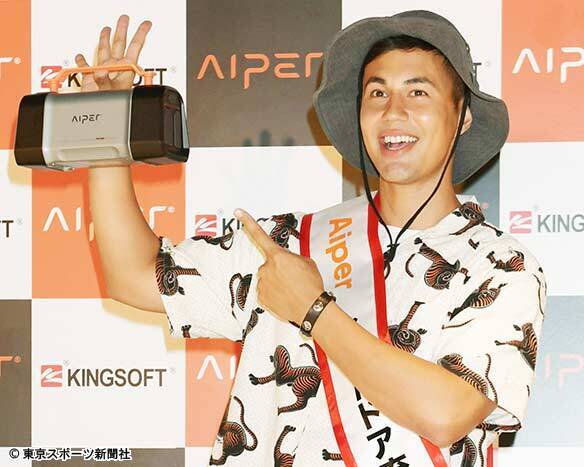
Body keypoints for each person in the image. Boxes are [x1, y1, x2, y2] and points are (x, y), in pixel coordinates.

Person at [81, 11, 546, 467]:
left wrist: (313, 308)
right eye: (377, 93)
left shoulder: (501, 265)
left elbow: (447, 415)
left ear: (462, 116)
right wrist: (105, 134)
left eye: (418, 92)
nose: (393, 111)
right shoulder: (285, 244)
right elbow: (133, 277)